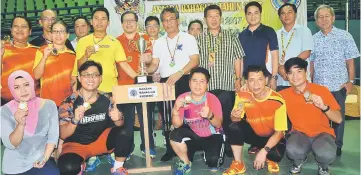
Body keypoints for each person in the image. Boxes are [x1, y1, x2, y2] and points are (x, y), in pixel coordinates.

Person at [57, 61, 133, 175]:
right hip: (75, 146)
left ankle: (118, 168)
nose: (91, 78)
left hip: (100, 142)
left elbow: (120, 125)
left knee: (125, 131)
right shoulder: (69, 102)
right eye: (86, 75)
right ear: (79, 78)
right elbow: (63, 134)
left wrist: (118, 118)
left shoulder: (107, 98)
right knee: (68, 167)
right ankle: (81, 163)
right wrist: (74, 120)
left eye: (95, 75)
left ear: (101, 78)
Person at [145, 7, 200, 161]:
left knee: (188, 116)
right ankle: (170, 149)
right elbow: (155, 65)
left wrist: (180, 72)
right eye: (165, 20)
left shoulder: (188, 38)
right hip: (166, 83)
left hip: (184, 79)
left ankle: (190, 149)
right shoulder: (158, 42)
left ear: (178, 20)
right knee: (168, 117)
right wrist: (145, 68)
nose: (168, 23)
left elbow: (195, 60)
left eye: (171, 19)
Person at [310, 4, 360, 156]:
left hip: (339, 86)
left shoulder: (345, 36)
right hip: (319, 87)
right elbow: (311, 65)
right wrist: (311, 85)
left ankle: (337, 145)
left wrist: (350, 82)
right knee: (321, 117)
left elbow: (350, 62)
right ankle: (322, 144)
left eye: (327, 16)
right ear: (316, 21)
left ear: (333, 18)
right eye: (320, 17)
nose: (324, 19)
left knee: (338, 118)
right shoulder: (313, 40)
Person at [196, 4, 244, 157]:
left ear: (221, 18)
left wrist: (238, 78)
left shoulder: (231, 36)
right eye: (210, 16)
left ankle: (229, 145)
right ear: (205, 19)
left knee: (228, 118)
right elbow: (195, 62)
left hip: (226, 85)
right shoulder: (198, 39)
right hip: (206, 88)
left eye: (216, 16)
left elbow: (238, 58)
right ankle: (212, 145)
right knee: (208, 118)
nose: (214, 19)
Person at [280, 57, 342, 175]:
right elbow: (265, 97)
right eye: (290, 73)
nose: (294, 76)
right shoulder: (283, 95)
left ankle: (323, 165)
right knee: (292, 150)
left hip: (322, 133)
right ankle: (299, 160)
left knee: (327, 154)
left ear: (306, 72)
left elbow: (338, 119)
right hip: (299, 134)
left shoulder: (321, 90)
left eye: (299, 71)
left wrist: (324, 107)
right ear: (287, 76)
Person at [223, 65, 287, 175]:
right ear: (246, 82)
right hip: (254, 133)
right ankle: (238, 163)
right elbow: (235, 119)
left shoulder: (278, 100)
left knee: (275, 156)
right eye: (252, 80)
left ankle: (265, 153)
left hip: (272, 136)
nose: (256, 84)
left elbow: (279, 132)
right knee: (233, 127)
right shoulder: (243, 95)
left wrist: (264, 151)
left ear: (266, 80)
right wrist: (235, 116)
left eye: (260, 79)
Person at [1, 70, 59, 175]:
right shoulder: (4, 111)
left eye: (26, 84)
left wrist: (45, 158)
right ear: (11, 90)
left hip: (40, 158)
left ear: (32, 85)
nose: (23, 90)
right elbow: (10, 145)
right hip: (15, 166)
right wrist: (20, 125)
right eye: (17, 87)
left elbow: (53, 136)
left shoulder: (49, 105)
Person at [170, 67, 224, 175]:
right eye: (194, 81)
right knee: (174, 135)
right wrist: (175, 110)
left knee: (213, 163)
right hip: (194, 135)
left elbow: (218, 124)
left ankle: (208, 153)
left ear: (207, 84)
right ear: (189, 83)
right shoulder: (182, 98)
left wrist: (210, 115)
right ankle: (186, 163)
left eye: (202, 81)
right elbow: (177, 125)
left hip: (212, 135)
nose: (197, 85)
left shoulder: (212, 99)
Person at [116, 11, 156, 159]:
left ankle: (148, 146)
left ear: (136, 23)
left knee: (146, 117)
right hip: (124, 85)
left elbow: (150, 56)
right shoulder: (116, 41)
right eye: (125, 21)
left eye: (132, 20)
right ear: (121, 24)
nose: (128, 23)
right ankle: (128, 146)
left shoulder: (145, 38)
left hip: (144, 83)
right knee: (127, 120)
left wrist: (146, 60)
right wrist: (135, 74)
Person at [74, 7, 137, 94]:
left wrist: (139, 78)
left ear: (108, 23)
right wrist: (86, 56)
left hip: (110, 89)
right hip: (89, 90)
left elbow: (123, 64)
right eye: (96, 18)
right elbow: (78, 67)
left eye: (103, 19)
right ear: (91, 22)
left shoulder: (114, 42)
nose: (99, 22)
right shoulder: (82, 42)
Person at [33, 20, 77, 107]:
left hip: (66, 102)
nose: (58, 34)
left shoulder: (72, 55)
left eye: (61, 31)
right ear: (51, 34)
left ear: (67, 35)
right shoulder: (42, 51)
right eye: (55, 31)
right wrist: (45, 57)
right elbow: (36, 76)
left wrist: (74, 99)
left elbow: (74, 79)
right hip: (47, 102)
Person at [238, 1, 279, 90]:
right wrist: (240, 78)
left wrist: (274, 77)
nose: (253, 16)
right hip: (247, 80)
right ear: (245, 15)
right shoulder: (241, 35)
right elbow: (240, 59)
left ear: (260, 14)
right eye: (249, 13)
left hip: (266, 78)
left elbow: (275, 55)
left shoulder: (269, 31)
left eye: (256, 13)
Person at [1, 16, 39, 105]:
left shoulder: (38, 51)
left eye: (24, 27)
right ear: (11, 30)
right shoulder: (2, 48)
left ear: (30, 31)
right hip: (5, 104)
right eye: (16, 26)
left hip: (33, 103)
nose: (19, 29)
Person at [276, 3, 313, 91]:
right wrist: (279, 68)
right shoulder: (275, 34)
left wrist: (288, 68)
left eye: (289, 12)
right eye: (283, 13)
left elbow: (306, 52)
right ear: (279, 17)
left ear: (295, 15)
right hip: (281, 80)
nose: (286, 16)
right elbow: (272, 56)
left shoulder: (304, 31)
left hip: (300, 81)